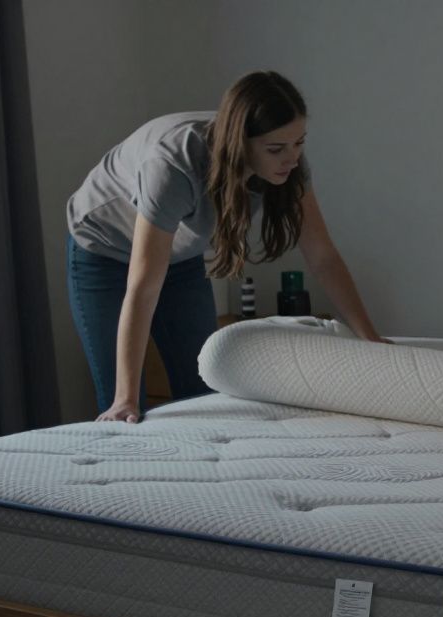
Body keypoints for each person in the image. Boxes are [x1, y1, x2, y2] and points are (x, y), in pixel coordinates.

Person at [66, 71, 386, 422]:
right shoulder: (174, 164)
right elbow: (144, 287)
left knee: (204, 390)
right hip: (105, 251)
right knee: (124, 406)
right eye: (276, 148)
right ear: (240, 143)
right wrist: (125, 399)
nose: (292, 158)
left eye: (299, 143)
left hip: (181, 257)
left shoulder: (289, 164)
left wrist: (370, 338)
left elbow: (322, 256)